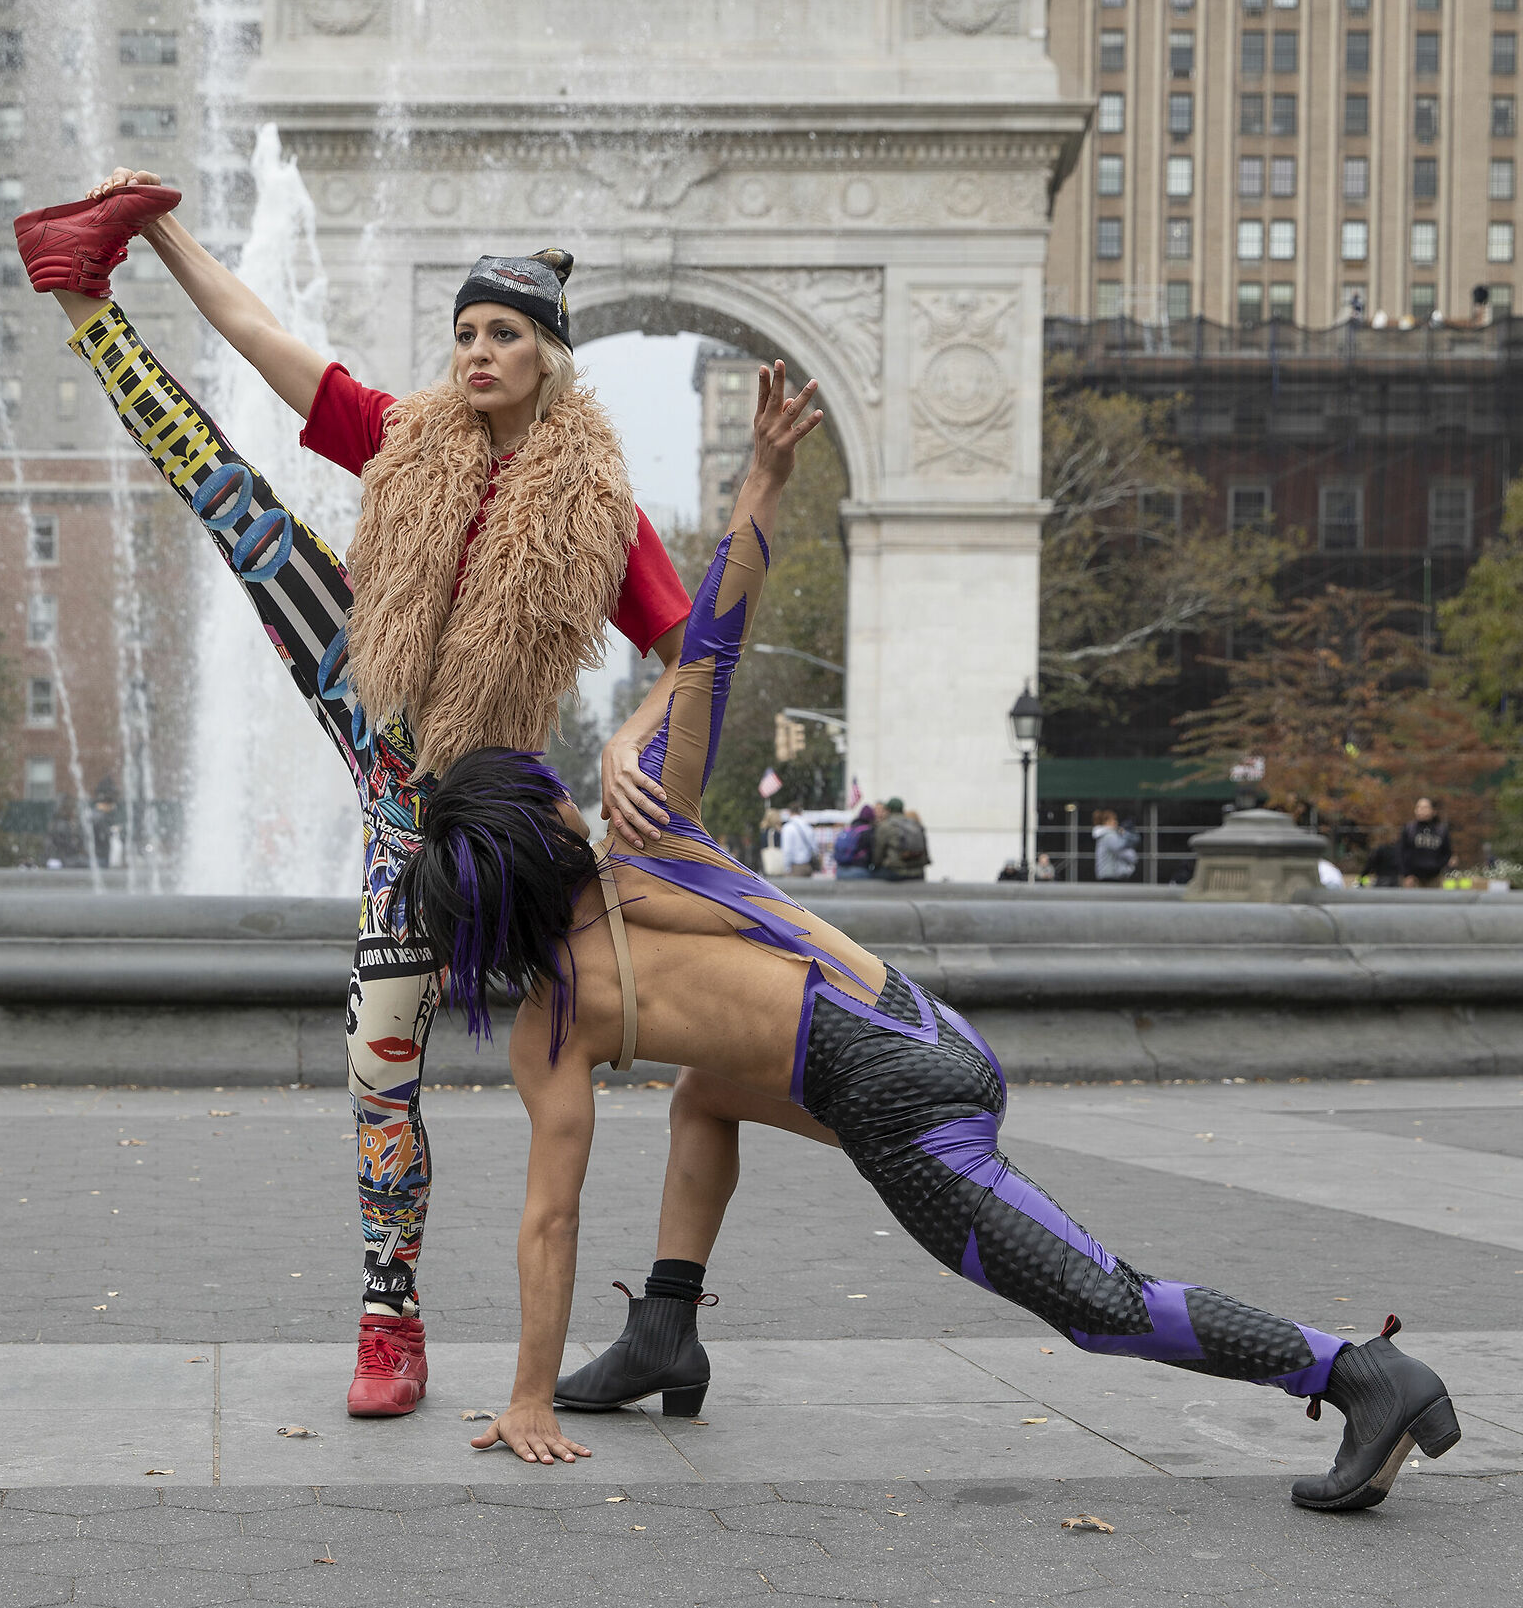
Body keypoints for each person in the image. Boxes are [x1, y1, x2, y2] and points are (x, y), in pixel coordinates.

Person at [394, 363, 1460, 1516]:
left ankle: (1359, 1372)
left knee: (1100, 1307)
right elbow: (709, 646)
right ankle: (663, 1329)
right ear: (551, 823)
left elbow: (547, 1219)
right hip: (914, 1028)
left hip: (903, 1105)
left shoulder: (557, 1026)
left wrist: (528, 1398)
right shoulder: (649, 840)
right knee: (703, 1093)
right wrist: (764, 477)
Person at [13, 175, 693, 1419]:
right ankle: (391, 1319)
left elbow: (693, 653)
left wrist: (636, 734)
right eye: (467, 333)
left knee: (435, 1050)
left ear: (549, 356)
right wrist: (161, 234)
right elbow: (266, 336)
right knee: (234, 501)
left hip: (472, 801)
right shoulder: (401, 432)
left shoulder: (603, 511)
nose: (478, 352)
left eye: (504, 335)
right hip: (375, 715)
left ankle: (641, 1313)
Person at [1397, 797, 1452, 889]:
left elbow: (1447, 852)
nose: (1421, 810)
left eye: (1425, 807)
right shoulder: (1409, 829)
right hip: (1413, 878)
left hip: (1434, 878)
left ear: (1433, 811)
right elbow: (1401, 853)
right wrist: (1406, 874)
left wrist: (1438, 866)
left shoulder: (1441, 830)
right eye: (1418, 807)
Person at [871, 797, 928, 881]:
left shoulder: (885, 825)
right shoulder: (915, 824)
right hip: (918, 872)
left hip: (894, 872)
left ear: (888, 810)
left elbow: (878, 854)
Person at [1092, 809, 1139, 881]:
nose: (1115, 822)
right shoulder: (1109, 835)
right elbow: (1120, 850)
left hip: (1108, 873)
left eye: (1115, 819)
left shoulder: (1106, 835)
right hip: (1110, 874)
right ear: (1105, 822)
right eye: (1112, 820)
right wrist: (1133, 856)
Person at [832, 803, 876, 878]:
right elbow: (874, 855)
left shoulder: (849, 829)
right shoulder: (868, 831)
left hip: (840, 871)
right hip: (858, 871)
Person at [779, 803, 818, 878]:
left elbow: (787, 850)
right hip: (808, 865)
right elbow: (815, 848)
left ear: (789, 812)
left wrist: (786, 868)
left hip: (795, 867)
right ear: (801, 812)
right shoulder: (808, 826)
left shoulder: (788, 827)